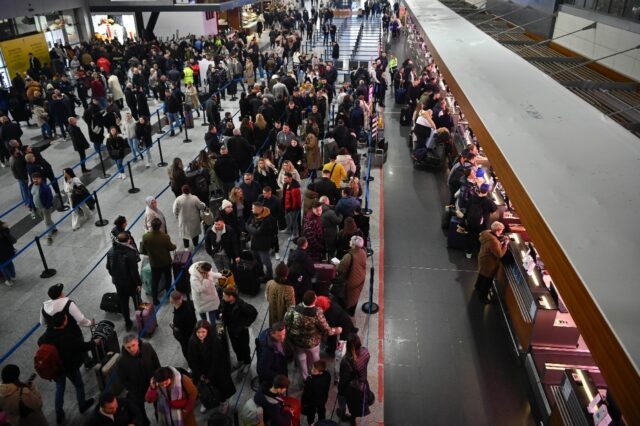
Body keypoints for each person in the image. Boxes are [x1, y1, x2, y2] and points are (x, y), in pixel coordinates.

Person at [37, 312, 96, 424]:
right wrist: (94, 343)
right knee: (78, 385)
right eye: (65, 318)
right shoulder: (67, 337)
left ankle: (59, 414)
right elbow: (82, 346)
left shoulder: (48, 333)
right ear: (64, 322)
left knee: (60, 389)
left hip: (55, 368)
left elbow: (39, 342)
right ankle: (82, 405)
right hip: (69, 367)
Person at [284, 290, 342, 380]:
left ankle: (305, 377)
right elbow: (327, 330)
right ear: (314, 300)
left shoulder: (293, 308)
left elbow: (286, 323)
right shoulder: (317, 313)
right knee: (315, 357)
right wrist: (337, 330)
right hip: (312, 343)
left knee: (301, 357)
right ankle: (314, 373)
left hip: (297, 341)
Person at [187, 320, 236, 414]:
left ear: (208, 331)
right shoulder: (192, 342)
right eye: (198, 332)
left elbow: (217, 360)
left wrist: (209, 376)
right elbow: (192, 360)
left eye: (203, 332)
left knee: (221, 389)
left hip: (216, 372)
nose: (200, 335)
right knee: (204, 389)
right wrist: (199, 374)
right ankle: (206, 402)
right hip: (201, 372)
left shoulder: (214, 341)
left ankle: (223, 403)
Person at [117, 334, 161, 426]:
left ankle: (160, 421)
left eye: (133, 345)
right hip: (137, 392)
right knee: (140, 414)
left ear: (137, 342)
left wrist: (157, 379)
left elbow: (156, 363)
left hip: (153, 386)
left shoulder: (147, 347)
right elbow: (123, 380)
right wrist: (134, 389)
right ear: (124, 347)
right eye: (128, 347)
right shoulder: (121, 361)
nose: (132, 349)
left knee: (159, 407)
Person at [106, 232, 142, 331]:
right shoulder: (130, 253)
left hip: (118, 283)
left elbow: (108, 267)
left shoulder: (111, 251)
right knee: (137, 302)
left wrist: (115, 277)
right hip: (131, 284)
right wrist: (139, 283)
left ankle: (127, 323)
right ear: (129, 240)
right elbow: (134, 272)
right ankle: (140, 320)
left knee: (123, 303)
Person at [219, 287, 258, 376]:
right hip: (231, 331)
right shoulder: (224, 303)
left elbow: (254, 312)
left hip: (241, 332)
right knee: (235, 347)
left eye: (225, 296)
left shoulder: (242, 305)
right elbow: (220, 313)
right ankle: (240, 361)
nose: (223, 297)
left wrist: (246, 325)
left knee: (244, 348)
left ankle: (247, 363)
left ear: (231, 297)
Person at [140, 218, 177, 306]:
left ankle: (155, 299)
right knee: (168, 277)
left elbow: (142, 250)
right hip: (166, 262)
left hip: (154, 263)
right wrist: (174, 245)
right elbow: (171, 247)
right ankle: (168, 292)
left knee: (155, 281)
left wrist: (149, 253)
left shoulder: (146, 237)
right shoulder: (164, 237)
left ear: (151, 226)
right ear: (160, 226)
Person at [337, 334, 372, 424]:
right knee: (356, 405)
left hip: (352, 388)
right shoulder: (365, 352)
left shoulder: (346, 362)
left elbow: (343, 380)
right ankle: (353, 418)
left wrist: (340, 391)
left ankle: (343, 415)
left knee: (342, 400)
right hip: (363, 384)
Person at [475, 221, 509, 304]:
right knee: (488, 280)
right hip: (489, 263)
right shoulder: (494, 241)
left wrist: (500, 237)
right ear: (497, 231)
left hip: (483, 257)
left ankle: (478, 286)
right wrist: (505, 245)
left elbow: (493, 238)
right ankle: (483, 297)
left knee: (482, 274)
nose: (501, 232)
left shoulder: (486, 233)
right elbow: (499, 254)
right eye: (501, 231)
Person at [245, 201, 277, 281]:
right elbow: (246, 224)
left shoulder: (268, 219)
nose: (251, 210)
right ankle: (261, 273)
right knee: (257, 260)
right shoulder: (254, 214)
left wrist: (250, 227)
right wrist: (251, 228)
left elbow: (257, 232)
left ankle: (269, 275)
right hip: (254, 243)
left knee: (266, 261)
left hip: (263, 245)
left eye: (253, 208)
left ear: (258, 209)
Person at [338, 235, 368, 316]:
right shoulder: (363, 252)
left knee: (349, 299)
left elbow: (340, 269)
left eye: (351, 241)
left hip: (351, 282)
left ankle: (348, 312)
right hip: (360, 279)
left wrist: (337, 264)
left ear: (354, 245)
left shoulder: (348, 256)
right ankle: (352, 311)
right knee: (356, 296)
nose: (349, 241)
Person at [172, 185, 206, 249]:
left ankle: (186, 247)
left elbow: (174, 210)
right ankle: (196, 244)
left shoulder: (178, 199)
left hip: (183, 220)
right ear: (189, 190)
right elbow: (201, 206)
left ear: (182, 191)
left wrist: (177, 217)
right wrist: (204, 205)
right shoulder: (194, 198)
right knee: (195, 233)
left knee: (184, 234)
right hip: (194, 219)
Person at [256, 322, 288, 386]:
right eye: (279, 336)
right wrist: (279, 378)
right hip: (275, 376)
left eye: (284, 334)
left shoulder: (270, 334)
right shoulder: (268, 350)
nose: (282, 338)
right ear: (272, 333)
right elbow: (262, 370)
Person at [29, 172, 57, 244]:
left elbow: (50, 198)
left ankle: (49, 237)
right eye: (34, 179)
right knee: (47, 220)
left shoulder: (45, 188)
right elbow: (31, 196)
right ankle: (54, 228)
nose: (35, 180)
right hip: (37, 208)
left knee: (46, 222)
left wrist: (47, 207)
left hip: (45, 208)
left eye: (37, 179)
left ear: (40, 179)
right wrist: (31, 206)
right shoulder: (31, 186)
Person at [169, 291, 197, 362]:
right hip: (193, 330)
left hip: (186, 338)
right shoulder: (188, 303)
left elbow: (180, 331)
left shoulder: (179, 316)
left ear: (172, 301)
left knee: (188, 353)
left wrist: (174, 327)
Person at [301, 360, 331, 424]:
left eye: (314, 370)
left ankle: (311, 423)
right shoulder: (328, 375)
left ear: (320, 372)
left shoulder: (310, 380)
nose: (311, 371)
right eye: (312, 368)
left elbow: (307, 393)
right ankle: (322, 423)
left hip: (312, 401)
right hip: (323, 399)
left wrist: (304, 402)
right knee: (322, 411)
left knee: (311, 413)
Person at [287, 237, 316, 303]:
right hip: (304, 282)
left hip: (294, 281)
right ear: (305, 244)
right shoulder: (305, 257)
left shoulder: (292, 254)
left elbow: (288, 265)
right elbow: (312, 271)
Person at [282, 172, 301, 239]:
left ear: (290, 178)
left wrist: (293, 209)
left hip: (293, 208)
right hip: (287, 206)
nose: (284, 179)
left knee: (294, 221)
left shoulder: (295, 188)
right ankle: (288, 229)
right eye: (284, 178)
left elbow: (296, 201)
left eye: (285, 178)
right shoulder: (286, 184)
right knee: (287, 218)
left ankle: (295, 234)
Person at [0, 221, 17, 287]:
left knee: (3, 266)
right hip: (9, 250)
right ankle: (13, 276)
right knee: (10, 263)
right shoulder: (4, 229)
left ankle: (9, 280)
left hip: (1, 254)